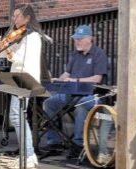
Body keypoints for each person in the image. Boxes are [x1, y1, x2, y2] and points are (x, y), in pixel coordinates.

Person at [42, 24, 108, 158]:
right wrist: (57, 80)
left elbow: (97, 78)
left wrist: (75, 81)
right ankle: (54, 141)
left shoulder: (99, 53)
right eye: (75, 38)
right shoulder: (75, 54)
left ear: (90, 39)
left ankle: (78, 145)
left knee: (82, 105)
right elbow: (67, 73)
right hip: (71, 92)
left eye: (80, 38)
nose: (76, 41)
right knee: (49, 103)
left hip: (92, 94)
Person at [0, 4, 42, 168]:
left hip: (26, 79)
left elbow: (20, 59)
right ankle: (28, 155)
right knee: (17, 116)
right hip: (17, 78)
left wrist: (8, 51)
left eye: (17, 16)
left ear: (27, 18)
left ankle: (29, 155)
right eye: (13, 15)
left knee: (17, 116)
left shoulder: (33, 37)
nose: (13, 19)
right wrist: (1, 47)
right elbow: (6, 56)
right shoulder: (20, 37)